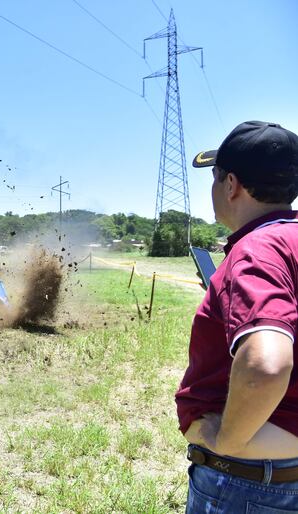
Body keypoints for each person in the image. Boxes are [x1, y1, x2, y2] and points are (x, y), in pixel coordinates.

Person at [176, 121, 298, 512]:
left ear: (231, 185)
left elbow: (266, 364)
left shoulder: (256, 251)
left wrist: (229, 439)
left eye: (213, 178)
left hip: (253, 485)